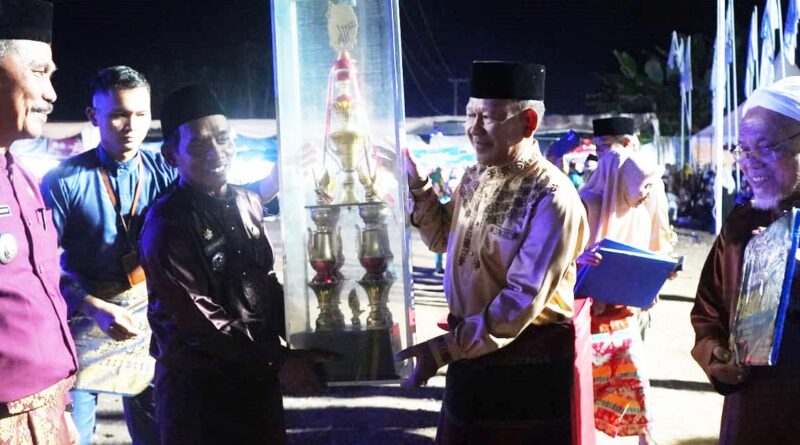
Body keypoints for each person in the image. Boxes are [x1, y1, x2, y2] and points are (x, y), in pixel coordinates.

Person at [40, 66, 282, 445]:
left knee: (157, 432)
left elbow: (219, 196)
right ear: (93, 116)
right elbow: (40, 265)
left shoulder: (162, 169)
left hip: (147, 322)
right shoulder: (65, 180)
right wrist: (90, 305)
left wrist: (276, 181)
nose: (131, 126)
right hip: (84, 325)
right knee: (73, 435)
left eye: (140, 114)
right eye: (118, 114)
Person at [396, 61, 590, 444]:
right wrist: (417, 183)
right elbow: (443, 240)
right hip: (470, 352)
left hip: (525, 368)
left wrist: (443, 349)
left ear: (528, 122)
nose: (474, 129)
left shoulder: (551, 197)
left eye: (488, 117)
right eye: (470, 115)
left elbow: (520, 299)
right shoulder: (475, 176)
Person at [139, 84, 331, 444]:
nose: (217, 152)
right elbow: (197, 320)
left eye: (224, 138)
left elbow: (264, 283)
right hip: (199, 394)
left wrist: (312, 328)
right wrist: (280, 360)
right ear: (171, 155)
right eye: (199, 145)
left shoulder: (247, 202)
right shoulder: (168, 223)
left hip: (256, 382)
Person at [691, 76, 800, 444]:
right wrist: (715, 355)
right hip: (752, 415)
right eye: (743, 150)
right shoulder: (741, 225)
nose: (749, 164)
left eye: (765, 148)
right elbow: (708, 313)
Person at [0, 1, 79, 443]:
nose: (52, 94)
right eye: (38, 72)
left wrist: (61, 409)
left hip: (47, 408)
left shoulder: (22, 175)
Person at [576, 149, 671, 445]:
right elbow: (556, 257)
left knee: (636, 379)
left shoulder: (639, 213)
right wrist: (580, 261)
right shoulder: (586, 205)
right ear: (624, 181)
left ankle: (646, 437)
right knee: (582, 391)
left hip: (623, 318)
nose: (648, 194)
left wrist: (653, 281)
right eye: (644, 185)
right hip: (584, 321)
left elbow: (639, 261)